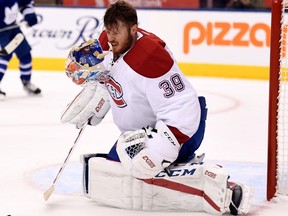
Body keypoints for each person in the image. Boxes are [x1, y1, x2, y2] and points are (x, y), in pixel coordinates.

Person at [62, 0, 252, 215]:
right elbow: (112, 70)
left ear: (134, 30)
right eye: (108, 31)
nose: (111, 38)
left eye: (116, 32)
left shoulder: (151, 57)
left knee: (140, 167)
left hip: (181, 131)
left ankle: (222, 188)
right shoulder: (108, 41)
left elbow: (182, 105)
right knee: (114, 165)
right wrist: (102, 91)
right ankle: (175, 167)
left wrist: (163, 148)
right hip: (142, 131)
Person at [0, 0, 41, 100]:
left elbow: (24, 3)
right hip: (1, 31)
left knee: (25, 55)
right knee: (5, 56)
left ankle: (26, 83)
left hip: (14, 29)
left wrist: (29, 14)